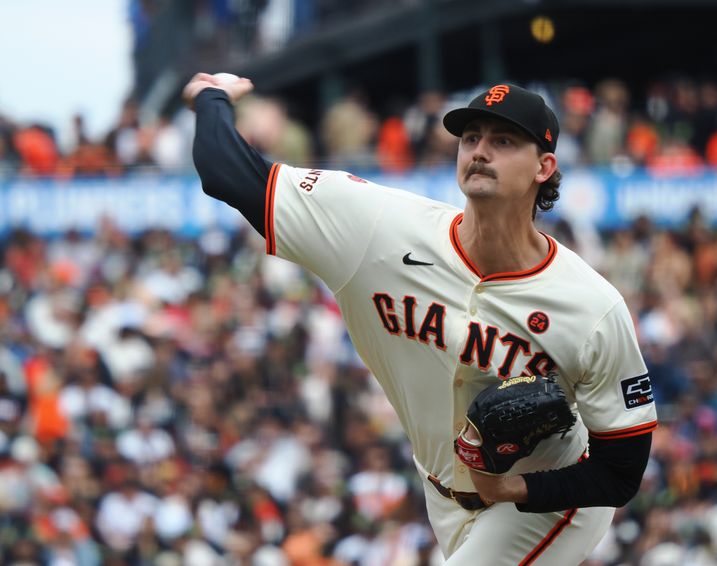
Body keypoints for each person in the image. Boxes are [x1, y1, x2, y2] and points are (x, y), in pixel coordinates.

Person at [183, 74, 658, 565]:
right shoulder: (377, 228)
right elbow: (229, 174)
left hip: (550, 497)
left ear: (544, 166)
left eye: (503, 141)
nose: (479, 151)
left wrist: (512, 487)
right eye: (470, 137)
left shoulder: (591, 306)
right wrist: (211, 96)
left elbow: (620, 472)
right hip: (441, 493)